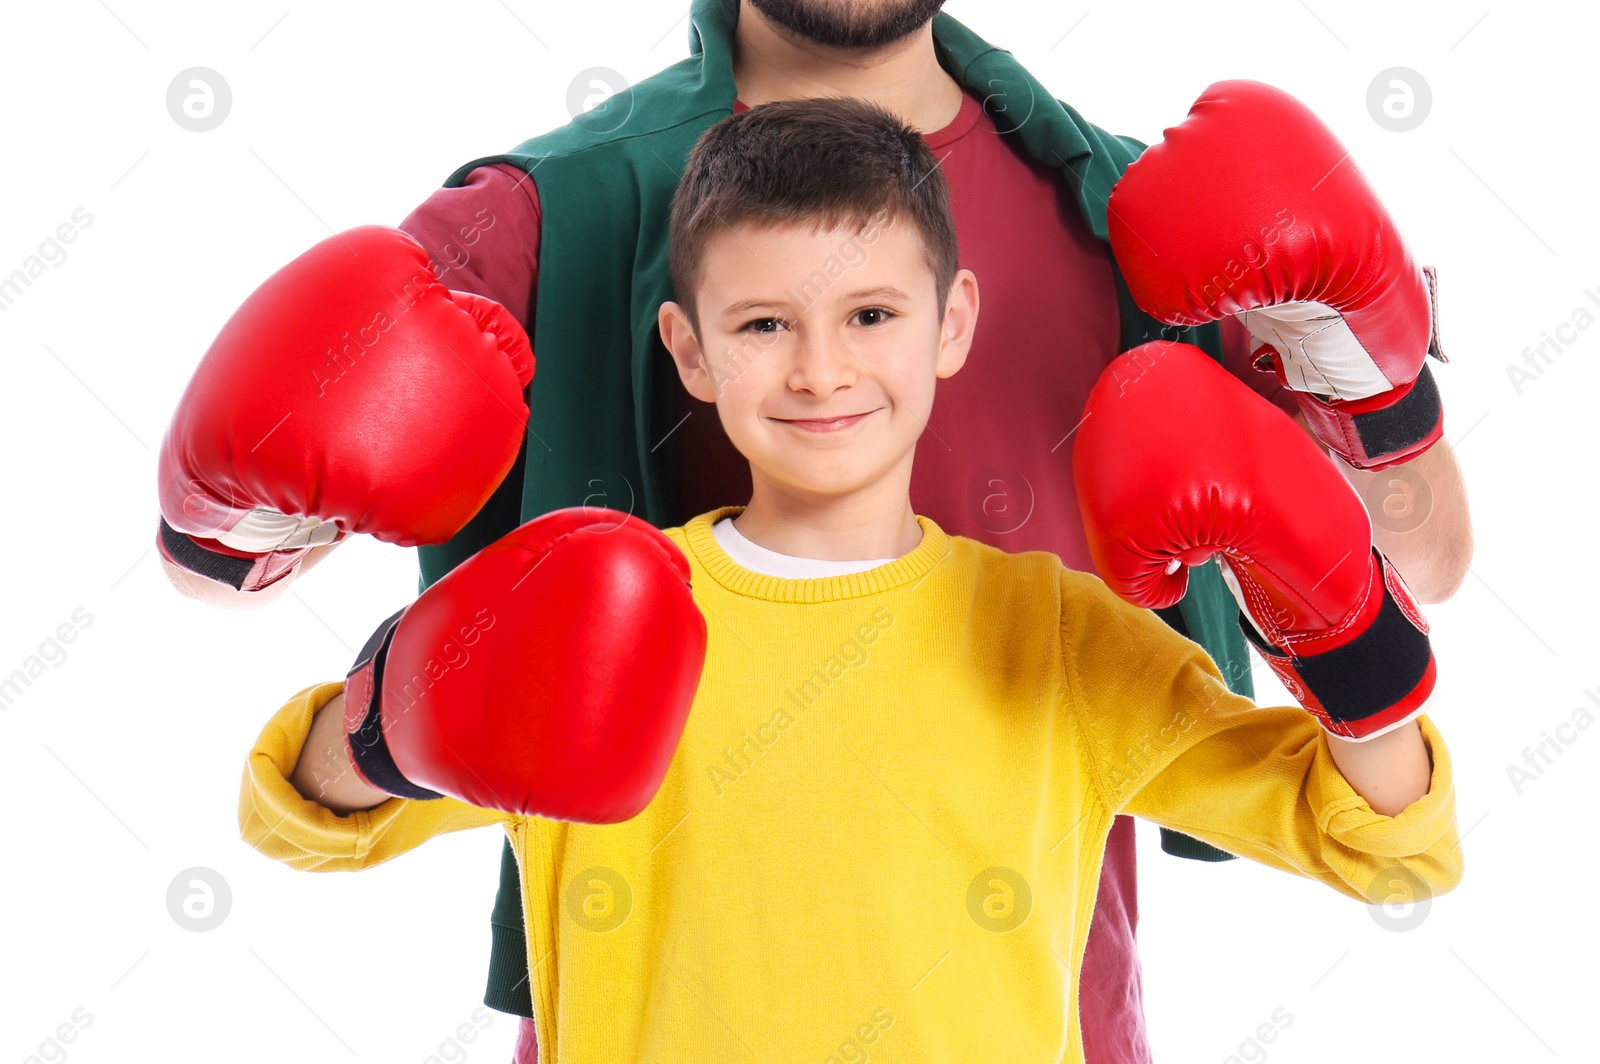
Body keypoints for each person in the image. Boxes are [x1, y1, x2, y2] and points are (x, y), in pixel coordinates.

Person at [158, 0, 1473, 1063]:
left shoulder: (1143, 213)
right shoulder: (548, 218)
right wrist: (273, 569)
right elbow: (246, 596)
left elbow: (1413, 577)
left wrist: (1369, 378)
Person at [240, 98, 1463, 1063]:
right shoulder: (597, 605)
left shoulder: (1054, 635)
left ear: (952, 324)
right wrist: (397, 705)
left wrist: (1345, 626)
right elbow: (296, 820)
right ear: (690, 349)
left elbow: (1388, 846)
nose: (822, 369)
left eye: (871, 313)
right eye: (765, 324)